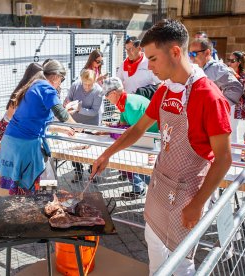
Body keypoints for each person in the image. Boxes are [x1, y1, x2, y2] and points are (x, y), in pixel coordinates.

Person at [91, 19, 232, 275]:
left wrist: (198, 204)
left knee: (182, 260)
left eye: (153, 59)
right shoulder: (164, 91)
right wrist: (107, 154)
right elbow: (137, 129)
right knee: (154, 243)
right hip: (159, 185)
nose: (149, 66)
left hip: (188, 193)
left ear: (176, 52)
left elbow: (223, 159)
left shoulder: (208, 95)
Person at [0, 60, 77, 195]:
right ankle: (46, 202)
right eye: (61, 80)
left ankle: (26, 208)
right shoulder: (46, 88)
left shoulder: (34, 85)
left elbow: (37, 121)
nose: (60, 84)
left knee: (21, 183)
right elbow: (62, 114)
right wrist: (79, 127)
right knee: (42, 179)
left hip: (12, 141)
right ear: (56, 76)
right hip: (25, 144)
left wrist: (63, 129)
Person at [102, 77, 159, 199]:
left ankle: (158, 193)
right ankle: (142, 189)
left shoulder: (130, 105)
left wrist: (110, 131)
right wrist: (109, 129)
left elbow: (132, 132)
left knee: (141, 168)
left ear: (113, 93)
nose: (106, 98)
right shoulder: (124, 102)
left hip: (150, 141)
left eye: (106, 95)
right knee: (133, 164)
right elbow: (122, 126)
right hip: (145, 139)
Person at [64, 69, 104, 183]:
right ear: (81, 80)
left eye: (90, 84)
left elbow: (94, 111)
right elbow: (69, 99)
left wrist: (79, 108)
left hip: (92, 124)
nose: (87, 87)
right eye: (85, 83)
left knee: (91, 150)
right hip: (75, 123)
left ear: (94, 81)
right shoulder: (75, 86)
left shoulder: (98, 91)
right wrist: (67, 104)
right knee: (74, 148)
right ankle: (78, 171)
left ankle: (92, 172)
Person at [227, 51, 245, 120]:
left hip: (237, 104)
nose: (229, 63)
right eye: (229, 60)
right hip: (227, 101)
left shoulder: (244, 73)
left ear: (239, 62)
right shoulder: (227, 72)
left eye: (232, 61)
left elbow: (244, 86)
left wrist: (235, 74)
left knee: (233, 128)